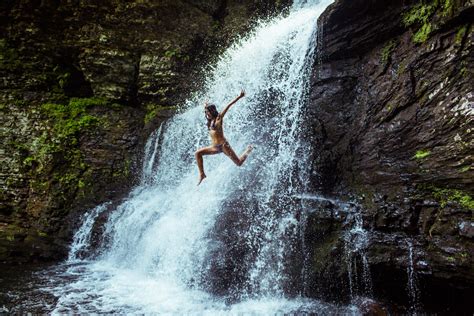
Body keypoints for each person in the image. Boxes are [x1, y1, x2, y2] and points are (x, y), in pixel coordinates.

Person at [195, 90, 253, 185]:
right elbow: (206, 109)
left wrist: (239, 97)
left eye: (208, 112)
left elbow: (228, 106)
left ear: (212, 111)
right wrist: (205, 104)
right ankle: (202, 174)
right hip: (214, 147)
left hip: (223, 146)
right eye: (206, 113)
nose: (207, 114)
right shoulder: (209, 121)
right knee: (198, 153)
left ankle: (248, 150)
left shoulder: (218, 118)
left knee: (239, 163)